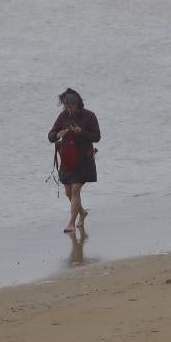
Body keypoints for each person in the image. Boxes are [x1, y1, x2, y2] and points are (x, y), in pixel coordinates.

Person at [47, 88, 101, 233]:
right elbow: (50, 136)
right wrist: (58, 133)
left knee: (76, 190)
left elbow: (97, 137)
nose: (68, 109)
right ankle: (82, 213)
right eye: (66, 106)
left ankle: (71, 222)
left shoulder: (89, 116)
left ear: (78, 104)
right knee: (68, 192)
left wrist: (81, 132)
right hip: (67, 160)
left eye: (71, 106)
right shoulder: (62, 116)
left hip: (84, 159)